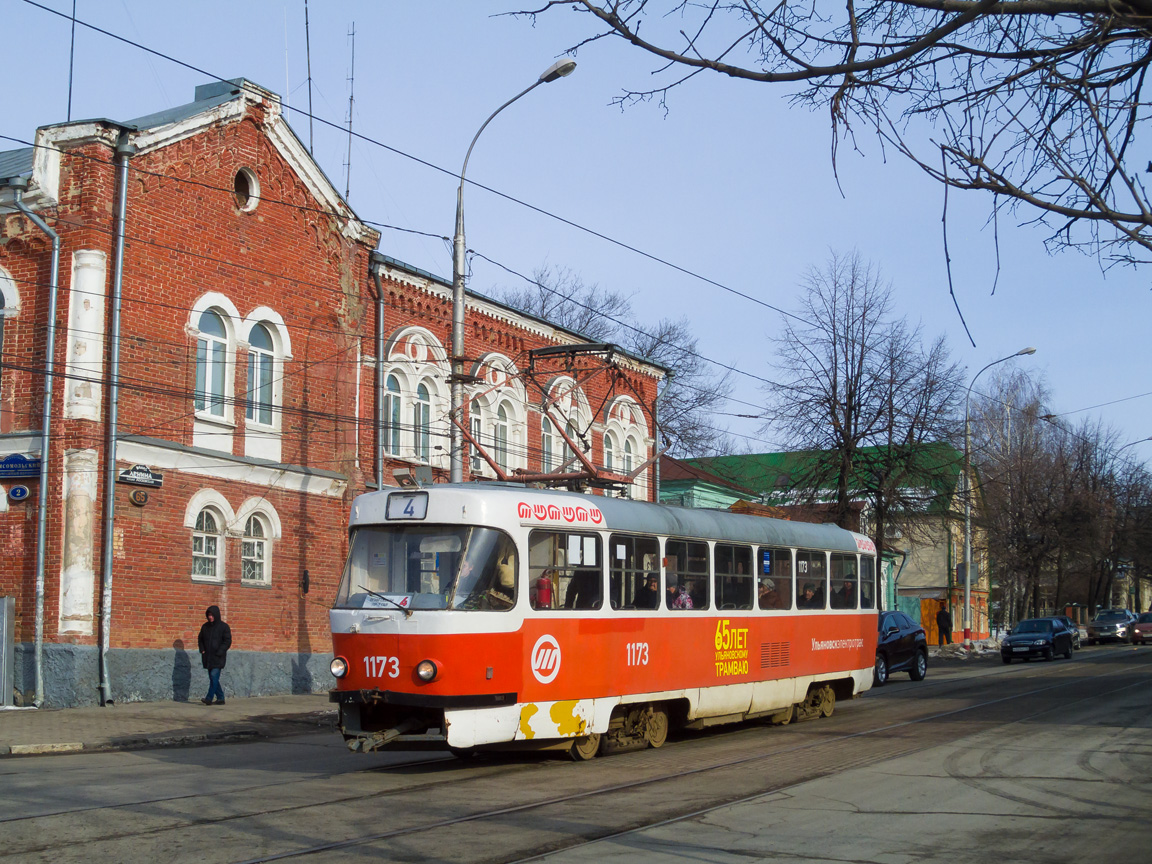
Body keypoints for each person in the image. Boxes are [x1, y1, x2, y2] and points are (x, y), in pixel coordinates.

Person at [198, 605, 232, 705]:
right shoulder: (205, 627)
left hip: (218, 657)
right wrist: (202, 649)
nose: (210, 617)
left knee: (213, 676)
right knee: (213, 678)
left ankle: (209, 698)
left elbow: (227, 641)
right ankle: (221, 698)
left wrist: (220, 651)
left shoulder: (224, 627)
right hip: (208, 657)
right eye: (209, 615)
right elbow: (200, 639)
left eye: (212, 615)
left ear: (216, 615)